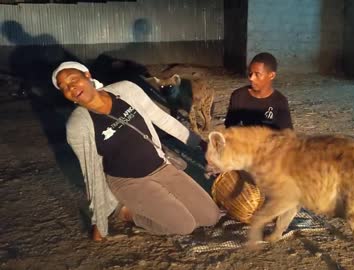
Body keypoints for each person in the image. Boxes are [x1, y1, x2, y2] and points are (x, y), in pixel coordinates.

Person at [52, 61, 221, 241]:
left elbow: (163, 120)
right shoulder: (78, 125)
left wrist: (199, 143)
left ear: (87, 75)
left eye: (73, 79)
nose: (70, 88)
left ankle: (163, 204)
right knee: (185, 225)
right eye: (64, 88)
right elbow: (91, 173)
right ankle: (127, 213)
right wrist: (99, 222)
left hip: (162, 167)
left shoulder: (126, 90)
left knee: (210, 216)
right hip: (129, 182)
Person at [224, 52, 293, 130]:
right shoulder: (238, 96)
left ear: (272, 75)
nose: (251, 78)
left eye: (257, 74)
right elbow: (230, 129)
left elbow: (287, 135)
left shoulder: (280, 102)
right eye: (250, 73)